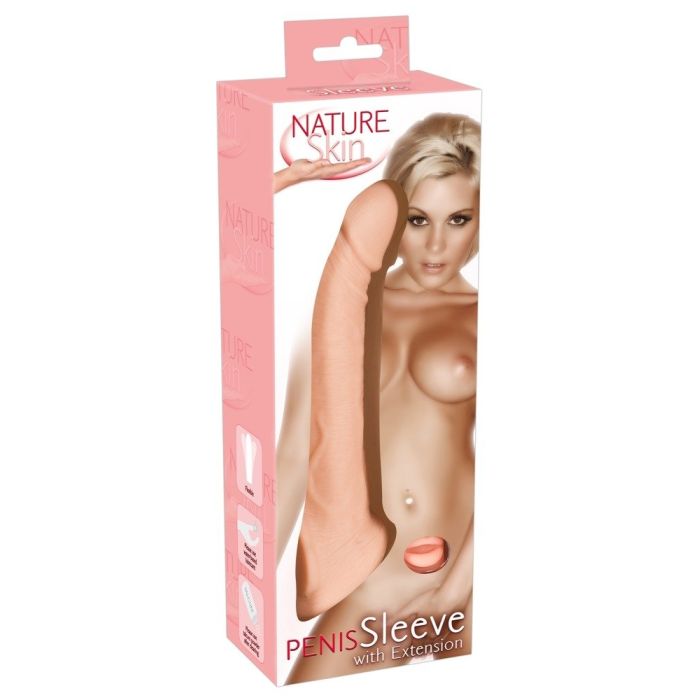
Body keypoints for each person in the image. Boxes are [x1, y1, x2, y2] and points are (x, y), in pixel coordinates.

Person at [275, 113, 480, 683]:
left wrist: (457, 587)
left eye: (458, 219)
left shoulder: (484, 315)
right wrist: (253, 580)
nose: (436, 245)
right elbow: (294, 454)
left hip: (470, 577)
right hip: (370, 580)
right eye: (417, 220)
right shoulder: (345, 307)